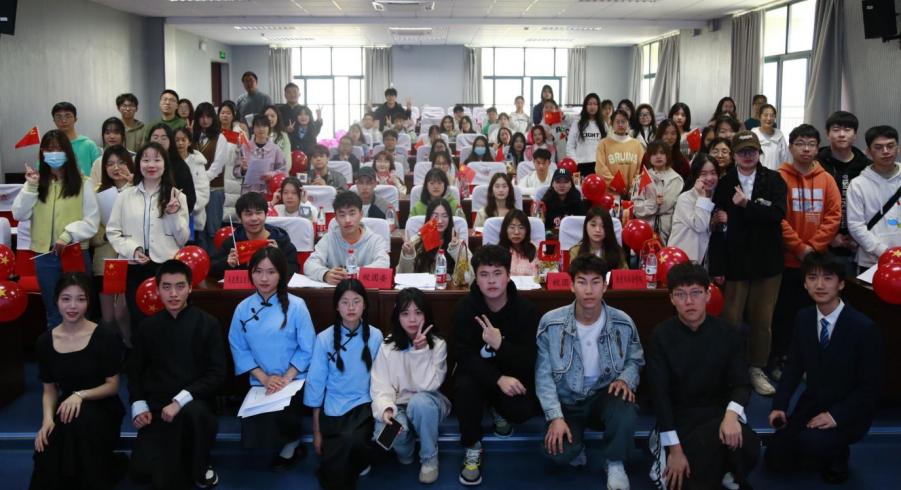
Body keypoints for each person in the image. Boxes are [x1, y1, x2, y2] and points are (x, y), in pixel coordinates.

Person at [766, 252, 883, 484]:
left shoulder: (864, 328)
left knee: (812, 443)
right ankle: (818, 446)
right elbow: (793, 366)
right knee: (774, 459)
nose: (819, 285)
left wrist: (835, 416)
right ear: (805, 283)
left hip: (848, 410)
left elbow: (870, 388)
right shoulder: (804, 317)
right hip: (813, 403)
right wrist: (779, 405)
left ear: (841, 284)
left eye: (828, 278)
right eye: (812, 278)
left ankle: (838, 453)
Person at [647, 263, 760, 490]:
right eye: (681, 294)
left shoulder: (728, 332)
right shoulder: (661, 335)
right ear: (671, 299)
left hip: (718, 414)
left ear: (708, 295)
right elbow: (660, 397)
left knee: (748, 444)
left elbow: (742, 383)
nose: (689, 301)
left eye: (696, 293)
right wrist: (675, 450)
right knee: (683, 480)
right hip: (680, 419)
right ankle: (721, 469)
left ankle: (725, 469)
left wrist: (731, 416)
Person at [536, 255, 643, 490]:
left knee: (625, 405)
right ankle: (577, 445)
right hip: (567, 402)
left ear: (605, 285)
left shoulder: (623, 322)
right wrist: (555, 417)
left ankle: (615, 462)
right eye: (582, 282)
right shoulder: (550, 323)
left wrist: (625, 379)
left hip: (603, 397)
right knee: (556, 453)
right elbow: (543, 376)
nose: (588, 290)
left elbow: (635, 359)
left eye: (595, 282)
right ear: (571, 285)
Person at [128, 260, 226, 489]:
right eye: (167, 287)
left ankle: (200, 465)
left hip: (196, 405)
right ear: (158, 289)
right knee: (141, 472)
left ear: (190, 288)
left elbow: (217, 374)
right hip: (158, 408)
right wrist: (138, 404)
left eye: (180, 286)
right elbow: (134, 371)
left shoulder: (208, 324)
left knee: (191, 420)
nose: (173, 294)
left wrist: (180, 400)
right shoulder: (147, 327)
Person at [453, 245, 541, 486]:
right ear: (476, 278)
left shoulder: (527, 311)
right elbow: (463, 356)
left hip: (511, 375)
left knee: (523, 410)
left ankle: (497, 409)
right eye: (484, 274)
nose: (491, 281)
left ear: (509, 275)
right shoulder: (464, 309)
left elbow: (528, 360)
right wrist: (496, 379)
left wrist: (500, 344)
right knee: (464, 387)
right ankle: (472, 445)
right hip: (478, 378)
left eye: (497, 273)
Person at [30, 273, 125, 490]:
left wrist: (80, 395)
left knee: (80, 428)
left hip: (102, 405)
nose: (73, 306)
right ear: (56, 301)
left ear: (88, 302)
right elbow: (49, 390)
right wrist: (47, 420)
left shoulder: (104, 336)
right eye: (66, 299)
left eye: (80, 299)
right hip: (66, 407)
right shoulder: (44, 342)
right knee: (48, 444)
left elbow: (112, 386)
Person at [712, 131, 787, 396]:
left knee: (762, 320)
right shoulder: (724, 183)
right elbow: (718, 226)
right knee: (731, 319)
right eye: (742, 151)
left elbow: (777, 215)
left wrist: (746, 205)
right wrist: (718, 267)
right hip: (735, 263)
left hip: (767, 262)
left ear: (759, 153)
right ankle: (731, 368)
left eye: (752, 151)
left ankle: (757, 368)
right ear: (734, 155)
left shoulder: (774, 180)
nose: (747, 156)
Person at [228, 247, 316, 469]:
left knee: (284, 417)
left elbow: (308, 347)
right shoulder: (243, 308)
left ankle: (293, 444)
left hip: (293, 380)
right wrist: (265, 378)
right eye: (258, 271)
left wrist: (286, 378)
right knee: (254, 436)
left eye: (271, 272)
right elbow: (239, 348)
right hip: (261, 381)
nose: (264, 278)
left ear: (281, 274)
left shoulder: (297, 306)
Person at [771, 124, 842, 376]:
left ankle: (809, 363)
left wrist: (813, 247)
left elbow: (833, 216)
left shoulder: (827, 179)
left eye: (811, 144)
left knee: (814, 314)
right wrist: (799, 247)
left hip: (817, 262)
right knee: (784, 314)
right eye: (800, 144)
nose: (806, 149)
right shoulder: (778, 177)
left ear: (817, 148)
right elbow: (776, 217)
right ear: (790, 147)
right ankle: (781, 359)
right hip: (786, 261)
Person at [12, 130, 99, 329]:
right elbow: (18, 214)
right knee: (53, 311)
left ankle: (82, 347)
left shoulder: (83, 183)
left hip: (74, 252)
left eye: (59, 149)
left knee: (80, 309)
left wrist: (68, 235)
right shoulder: (36, 183)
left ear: (68, 152)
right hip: (44, 255)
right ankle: (56, 347)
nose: (54, 154)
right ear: (42, 153)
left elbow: (91, 221)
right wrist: (31, 187)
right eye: (49, 150)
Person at [305, 279, 383, 489]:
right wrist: (316, 432)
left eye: (356, 301)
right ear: (336, 306)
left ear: (364, 305)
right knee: (339, 450)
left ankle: (360, 462)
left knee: (352, 439)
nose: (351, 308)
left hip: (364, 404)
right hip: (334, 406)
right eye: (345, 302)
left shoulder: (375, 336)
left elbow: (383, 378)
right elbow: (316, 384)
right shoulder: (324, 339)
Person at [370, 288, 450, 484]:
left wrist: (420, 352)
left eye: (418, 312)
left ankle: (429, 458)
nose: (412, 319)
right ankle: (406, 451)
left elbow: (428, 385)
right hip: (398, 404)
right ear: (397, 316)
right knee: (384, 434)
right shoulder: (388, 345)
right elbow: (381, 386)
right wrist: (386, 409)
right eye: (405, 313)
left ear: (426, 314)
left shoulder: (438, 344)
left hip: (429, 402)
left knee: (419, 403)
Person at [106, 142, 190, 325]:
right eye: (145, 160)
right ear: (138, 164)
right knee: (138, 319)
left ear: (165, 164)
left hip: (166, 266)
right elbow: (113, 231)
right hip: (134, 265)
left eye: (157, 160)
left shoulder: (177, 196)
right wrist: (132, 250)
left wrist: (173, 214)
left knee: (168, 318)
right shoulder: (125, 196)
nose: (151, 165)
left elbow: (183, 239)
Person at [90, 145, 134, 345]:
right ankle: (113, 353)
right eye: (110, 164)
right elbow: (92, 231)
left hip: (130, 258)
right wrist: (109, 234)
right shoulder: (98, 193)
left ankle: (130, 345)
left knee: (122, 312)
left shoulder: (138, 189)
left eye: (121, 162)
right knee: (108, 317)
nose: (116, 168)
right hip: (106, 260)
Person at [817, 111, 872, 269]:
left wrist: (859, 237)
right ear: (827, 134)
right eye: (836, 130)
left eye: (847, 130)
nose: (841, 134)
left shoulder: (866, 166)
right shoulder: (816, 163)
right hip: (822, 242)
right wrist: (829, 236)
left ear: (855, 135)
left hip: (860, 243)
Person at [304, 191, 390, 284]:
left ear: (361, 214)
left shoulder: (376, 240)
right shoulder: (328, 239)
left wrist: (353, 273)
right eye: (342, 215)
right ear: (336, 218)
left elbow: (383, 264)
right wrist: (325, 274)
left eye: (352, 214)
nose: (347, 220)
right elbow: (309, 264)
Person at [210, 191, 299, 280]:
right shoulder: (233, 242)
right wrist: (226, 263)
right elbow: (211, 269)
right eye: (248, 214)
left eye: (258, 213)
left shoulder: (280, 240)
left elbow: (295, 270)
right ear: (239, 218)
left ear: (266, 214)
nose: (254, 218)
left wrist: (278, 260)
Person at [847, 125, 901, 270]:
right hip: (871, 261)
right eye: (878, 147)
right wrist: (883, 251)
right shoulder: (858, 184)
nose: (886, 151)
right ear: (868, 152)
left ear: (898, 148)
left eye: (890, 146)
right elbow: (855, 225)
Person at [193, 102, 234, 246]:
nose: (205, 120)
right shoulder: (192, 137)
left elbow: (218, 166)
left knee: (212, 230)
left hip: (214, 189)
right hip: (195, 190)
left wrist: (201, 180)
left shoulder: (220, 137)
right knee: (197, 231)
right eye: (201, 117)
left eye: (208, 117)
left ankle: (214, 258)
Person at [670, 153, 719, 266]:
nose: (709, 178)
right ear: (696, 176)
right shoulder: (685, 198)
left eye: (713, 173)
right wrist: (702, 197)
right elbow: (700, 225)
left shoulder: (716, 196)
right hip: (682, 260)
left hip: (703, 261)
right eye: (704, 174)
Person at [632, 141, 684, 244]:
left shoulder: (676, 180)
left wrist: (654, 205)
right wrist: (653, 203)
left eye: (662, 153)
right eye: (654, 154)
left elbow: (667, 206)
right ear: (649, 157)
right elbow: (635, 207)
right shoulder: (641, 178)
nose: (658, 156)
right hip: (645, 228)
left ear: (667, 156)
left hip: (669, 229)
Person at [398, 198, 461, 275]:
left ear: (450, 218)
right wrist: (409, 255)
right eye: (435, 216)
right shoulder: (415, 242)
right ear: (429, 218)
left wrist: (456, 250)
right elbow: (402, 275)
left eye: (444, 216)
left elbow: (468, 276)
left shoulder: (457, 243)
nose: (440, 221)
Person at [146, 123, 198, 213]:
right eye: (155, 137)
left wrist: (173, 210)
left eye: (164, 138)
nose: (159, 141)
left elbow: (190, 200)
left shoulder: (180, 166)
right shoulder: (143, 164)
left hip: (172, 215)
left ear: (170, 141)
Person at [234, 114, 287, 196]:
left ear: (269, 128)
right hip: (248, 192)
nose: (261, 129)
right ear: (253, 129)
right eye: (258, 126)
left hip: (268, 192)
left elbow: (284, 171)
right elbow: (235, 171)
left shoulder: (275, 149)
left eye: (264, 126)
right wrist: (242, 170)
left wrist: (272, 174)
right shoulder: (244, 147)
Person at [595, 110, 645, 196]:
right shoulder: (603, 144)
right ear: (612, 124)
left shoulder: (637, 144)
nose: (620, 125)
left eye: (623, 121)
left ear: (628, 123)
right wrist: (616, 185)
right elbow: (600, 168)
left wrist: (634, 187)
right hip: (611, 194)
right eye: (617, 122)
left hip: (632, 194)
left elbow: (641, 169)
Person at [47, 102, 101, 176]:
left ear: (75, 119)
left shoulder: (89, 145)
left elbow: (99, 172)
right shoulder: (49, 147)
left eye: (68, 116)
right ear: (54, 121)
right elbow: (42, 171)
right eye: (59, 117)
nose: (63, 120)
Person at [174, 127, 211, 235]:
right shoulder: (167, 162)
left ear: (189, 142)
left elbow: (203, 190)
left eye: (183, 140)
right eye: (176, 140)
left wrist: (188, 207)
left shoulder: (197, 162)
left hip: (194, 216)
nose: (180, 143)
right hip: (172, 215)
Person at [566, 93, 607, 176]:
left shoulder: (603, 124)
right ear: (585, 106)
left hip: (598, 165)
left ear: (598, 106)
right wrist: (575, 162)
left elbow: (606, 146)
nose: (592, 107)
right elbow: (570, 146)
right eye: (589, 104)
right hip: (580, 165)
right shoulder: (577, 123)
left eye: (595, 104)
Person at [541, 168, 585, 233]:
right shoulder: (546, 201)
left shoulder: (577, 199)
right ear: (552, 184)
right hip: (552, 236)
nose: (562, 185)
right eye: (558, 182)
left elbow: (582, 223)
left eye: (565, 182)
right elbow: (542, 226)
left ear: (571, 184)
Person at [88, 117, 128, 186]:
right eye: (107, 133)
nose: (112, 136)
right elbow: (93, 187)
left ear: (123, 135)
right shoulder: (98, 162)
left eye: (116, 132)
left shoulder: (133, 158)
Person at [497, 209, 538, 276]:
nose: (516, 232)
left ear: (527, 230)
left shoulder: (535, 249)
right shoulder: (497, 251)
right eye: (512, 227)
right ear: (505, 229)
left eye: (521, 227)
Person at [751, 104, 789, 171]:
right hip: (757, 174)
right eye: (765, 115)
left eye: (772, 116)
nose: (769, 118)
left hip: (776, 174)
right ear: (760, 117)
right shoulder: (754, 134)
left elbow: (785, 158)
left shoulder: (779, 135)